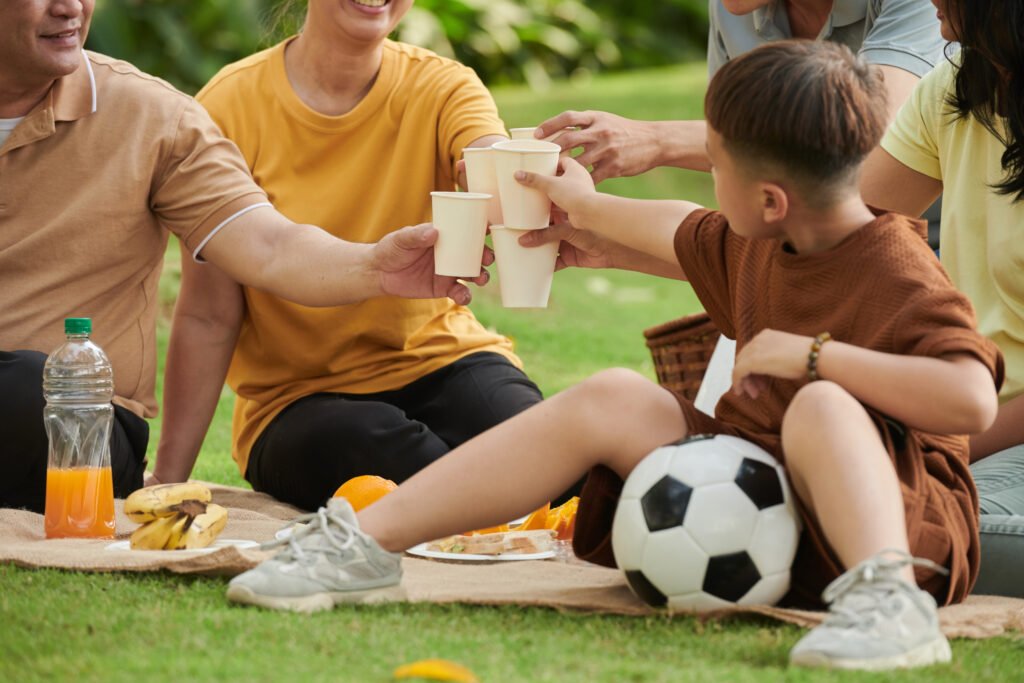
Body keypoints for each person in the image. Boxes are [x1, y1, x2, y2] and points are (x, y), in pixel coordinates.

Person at [227, 41, 1003, 671]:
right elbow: (675, 226)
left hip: (902, 528)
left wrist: (819, 359)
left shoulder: (895, 265)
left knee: (821, 404)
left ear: (770, 199)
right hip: (771, 506)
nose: (709, 188)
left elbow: (970, 401)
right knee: (612, 395)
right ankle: (363, 545)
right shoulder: (772, 235)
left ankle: (890, 607)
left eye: (718, 167)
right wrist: (586, 210)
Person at [0, 0, 485, 513]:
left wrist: (374, 266)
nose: (70, 6)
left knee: (29, 388)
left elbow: (268, 245)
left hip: (73, 430)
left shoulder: (154, 119)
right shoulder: (235, 95)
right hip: (297, 413)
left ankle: (490, 506)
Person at [148, 0, 543, 511]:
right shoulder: (228, 104)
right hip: (296, 403)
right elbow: (207, 313)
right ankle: (495, 512)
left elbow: (485, 154)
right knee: (381, 446)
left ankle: (494, 512)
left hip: (443, 358)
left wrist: (506, 179)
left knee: (534, 444)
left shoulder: (445, 85)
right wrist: (165, 479)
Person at [860, 0, 1024, 598]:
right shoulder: (957, 85)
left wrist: (931, 446)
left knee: (904, 536)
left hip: (983, 430)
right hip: (964, 422)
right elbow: (839, 238)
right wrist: (600, 234)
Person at [534, 0, 944, 183]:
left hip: (942, 249)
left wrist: (658, 141)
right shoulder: (737, 9)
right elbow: (740, 165)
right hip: (807, 245)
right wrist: (590, 221)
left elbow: (868, 136)